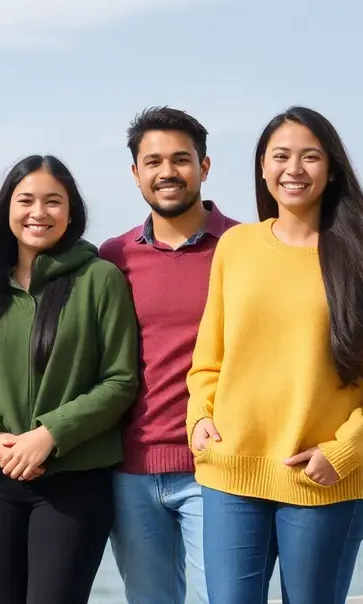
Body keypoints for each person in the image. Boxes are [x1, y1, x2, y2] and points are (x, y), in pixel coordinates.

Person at [187, 106, 363, 603]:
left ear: (332, 168)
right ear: (263, 167)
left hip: (323, 480)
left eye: (310, 157)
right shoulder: (236, 246)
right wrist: (199, 418)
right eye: (281, 156)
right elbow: (209, 360)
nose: (294, 169)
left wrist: (345, 451)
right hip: (231, 472)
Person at [0, 154, 139, 604]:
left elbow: (119, 380)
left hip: (74, 480)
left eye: (53, 201)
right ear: (7, 208)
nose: (38, 212)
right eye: (26, 199)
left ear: (71, 212)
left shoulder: (101, 279)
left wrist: (50, 434)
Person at [99, 106, 237, 604]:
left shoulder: (244, 247)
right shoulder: (112, 257)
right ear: (136, 173)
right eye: (152, 161)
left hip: (218, 465)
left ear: (205, 166)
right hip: (130, 469)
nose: (167, 172)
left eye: (181, 159)